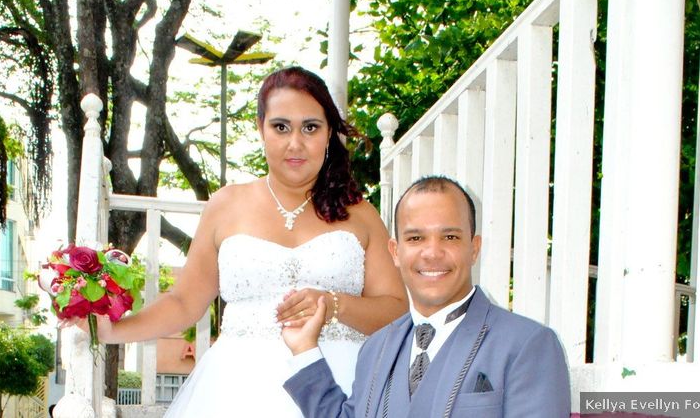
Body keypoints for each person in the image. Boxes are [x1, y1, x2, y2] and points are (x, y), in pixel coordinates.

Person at [79, 66, 407, 417]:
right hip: (233, 393)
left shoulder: (361, 214)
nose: (295, 142)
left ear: (328, 134)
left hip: (337, 389)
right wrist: (114, 329)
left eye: (310, 127)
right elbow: (184, 303)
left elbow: (397, 311)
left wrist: (333, 304)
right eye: (281, 127)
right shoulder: (225, 205)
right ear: (261, 129)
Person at [282, 175, 571, 418]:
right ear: (395, 252)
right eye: (416, 238)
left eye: (450, 237)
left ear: (474, 248)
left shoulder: (528, 345)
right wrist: (304, 349)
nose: (432, 253)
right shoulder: (376, 348)